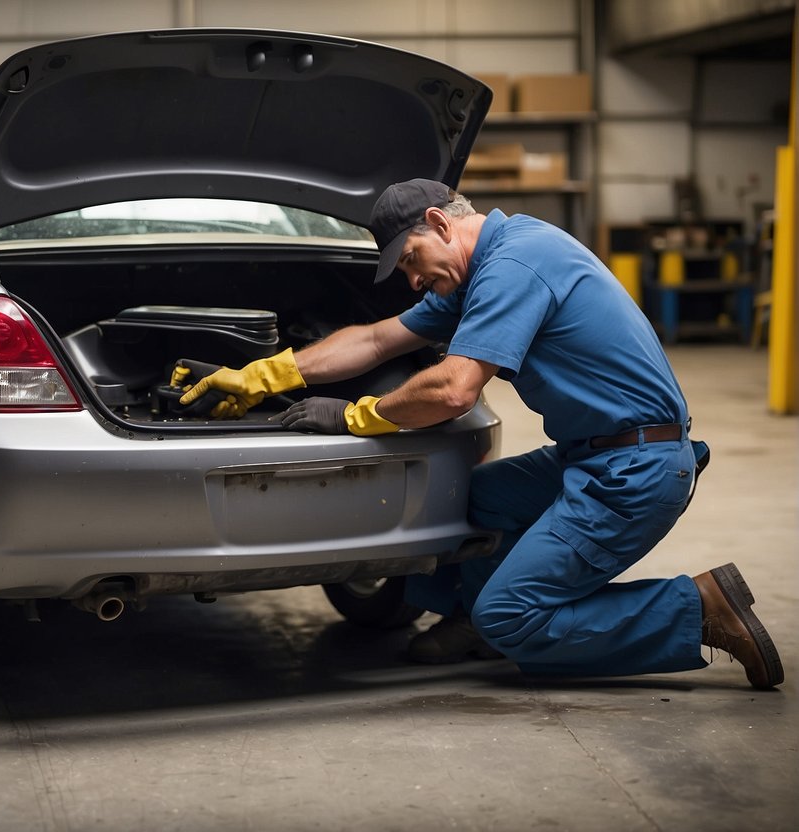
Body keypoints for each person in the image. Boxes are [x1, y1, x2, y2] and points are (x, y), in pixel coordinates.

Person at [175, 178, 784, 691]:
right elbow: (376, 338)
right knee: (479, 494)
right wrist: (265, 374)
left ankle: (698, 607)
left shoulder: (517, 263)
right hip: (592, 457)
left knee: (512, 617)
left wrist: (355, 415)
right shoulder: (478, 274)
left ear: (440, 223)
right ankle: (472, 619)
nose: (412, 280)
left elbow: (452, 390)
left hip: (635, 473)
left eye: (410, 260)